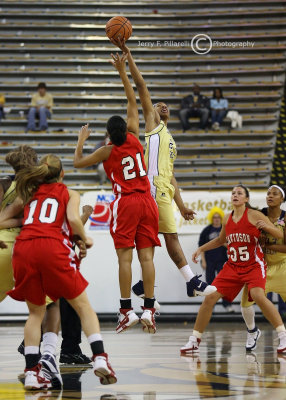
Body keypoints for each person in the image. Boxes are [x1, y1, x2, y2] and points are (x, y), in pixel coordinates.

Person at [114, 39, 216, 299]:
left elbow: (171, 175)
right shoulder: (152, 125)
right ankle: (192, 280)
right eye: (158, 105)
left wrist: (181, 205)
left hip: (163, 190)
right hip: (151, 188)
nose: (162, 106)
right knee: (170, 237)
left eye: (164, 105)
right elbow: (142, 87)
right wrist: (129, 57)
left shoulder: (169, 138)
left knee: (154, 241)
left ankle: (140, 285)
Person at [7, 154, 117, 389]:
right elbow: (73, 220)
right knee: (82, 306)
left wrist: (23, 222)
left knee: (35, 314)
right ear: (62, 174)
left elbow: (2, 218)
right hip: (51, 247)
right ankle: (100, 357)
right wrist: (85, 239)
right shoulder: (69, 193)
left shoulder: (27, 193)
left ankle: (31, 373)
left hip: (24, 249)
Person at [74, 53, 161, 334]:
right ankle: (149, 307)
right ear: (125, 128)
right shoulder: (135, 136)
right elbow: (132, 100)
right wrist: (122, 71)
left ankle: (127, 311)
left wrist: (81, 141)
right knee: (147, 258)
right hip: (148, 201)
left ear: (109, 135)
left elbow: (77, 163)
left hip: (126, 203)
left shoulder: (106, 150)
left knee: (125, 259)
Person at [180, 184, 286, 355]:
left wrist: (267, 228)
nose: (235, 195)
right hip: (232, 267)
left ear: (246, 199)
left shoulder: (255, 215)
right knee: (210, 297)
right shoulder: (227, 218)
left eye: (240, 193)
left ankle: (282, 336)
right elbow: (220, 240)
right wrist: (201, 249)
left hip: (253, 266)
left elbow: (280, 235)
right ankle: (194, 340)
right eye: (233, 193)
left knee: (258, 295)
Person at [241, 185, 286, 351]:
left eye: (275, 194)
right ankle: (252, 331)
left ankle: (283, 336)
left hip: (282, 266)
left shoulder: (285, 218)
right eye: (268, 193)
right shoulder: (259, 214)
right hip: (262, 267)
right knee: (245, 303)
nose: (270, 196)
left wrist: (269, 245)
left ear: (282, 199)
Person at [199, 207, 234, 313]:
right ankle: (210, 306)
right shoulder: (207, 230)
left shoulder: (225, 229)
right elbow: (202, 247)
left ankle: (227, 305)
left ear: (221, 218)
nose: (217, 219)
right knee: (210, 285)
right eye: (214, 217)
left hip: (222, 261)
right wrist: (203, 261)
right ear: (211, 218)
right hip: (209, 261)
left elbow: (232, 246)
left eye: (218, 217)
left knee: (224, 284)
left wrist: (224, 244)